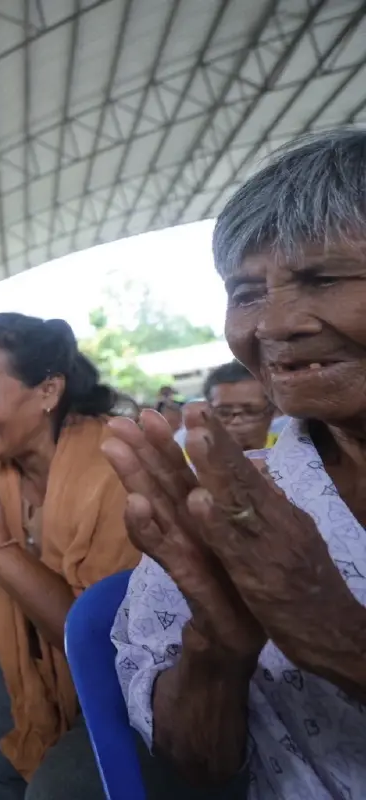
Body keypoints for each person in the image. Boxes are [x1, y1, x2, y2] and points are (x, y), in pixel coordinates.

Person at [107, 129, 366, 799]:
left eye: (323, 279)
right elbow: (198, 770)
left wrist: (339, 635)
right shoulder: (230, 505)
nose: (274, 325)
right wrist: (214, 647)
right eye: (246, 293)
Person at [0, 313, 143, 799]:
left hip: (134, 678)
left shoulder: (112, 468)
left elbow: (98, 643)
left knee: (59, 786)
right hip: (43, 660)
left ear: (47, 392)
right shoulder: (0, 474)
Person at [201, 361, 275, 451]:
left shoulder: (289, 449)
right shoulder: (189, 459)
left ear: (271, 411)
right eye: (224, 412)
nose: (237, 421)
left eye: (251, 411)